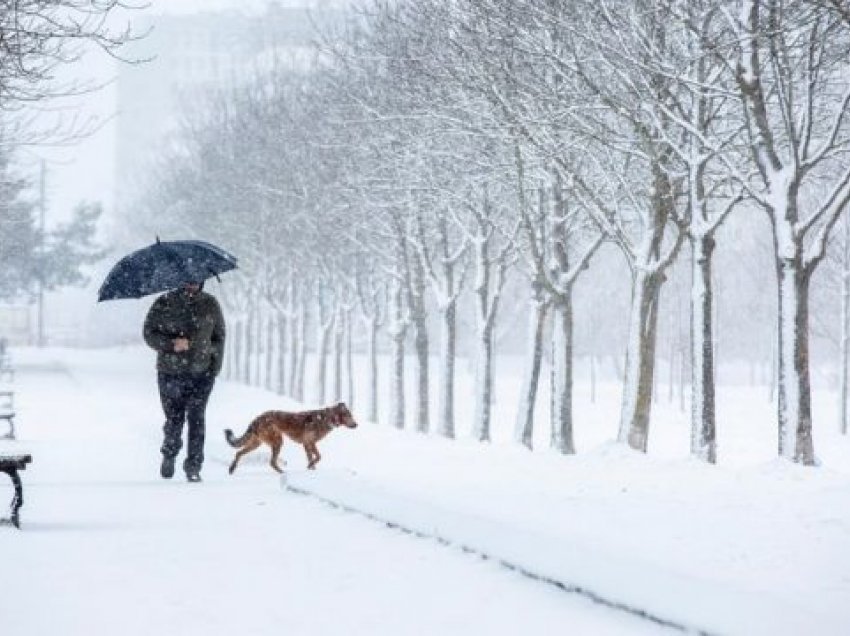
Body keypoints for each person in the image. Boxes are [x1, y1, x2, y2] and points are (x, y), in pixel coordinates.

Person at [143, 280, 225, 482]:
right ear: (179, 280)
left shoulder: (210, 304)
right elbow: (148, 333)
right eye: (188, 280)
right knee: (174, 419)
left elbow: (219, 338)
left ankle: (194, 466)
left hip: (202, 373)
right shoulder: (164, 302)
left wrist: (213, 367)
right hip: (170, 372)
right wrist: (171, 344)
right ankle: (169, 453)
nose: (192, 284)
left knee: (197, 419)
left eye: (197, 280)